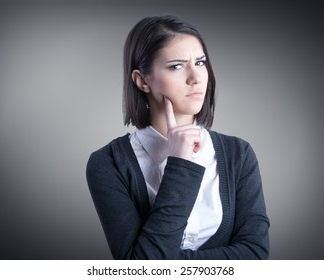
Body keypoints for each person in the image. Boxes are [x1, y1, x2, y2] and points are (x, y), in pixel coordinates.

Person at [86, 15, 270, 260]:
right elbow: (140, 270)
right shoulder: (108, 164)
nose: (196, 78)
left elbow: (255, 254)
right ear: (142, 81)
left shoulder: (239, 154)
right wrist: (180, 166)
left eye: (201, 63)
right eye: (177, 66)